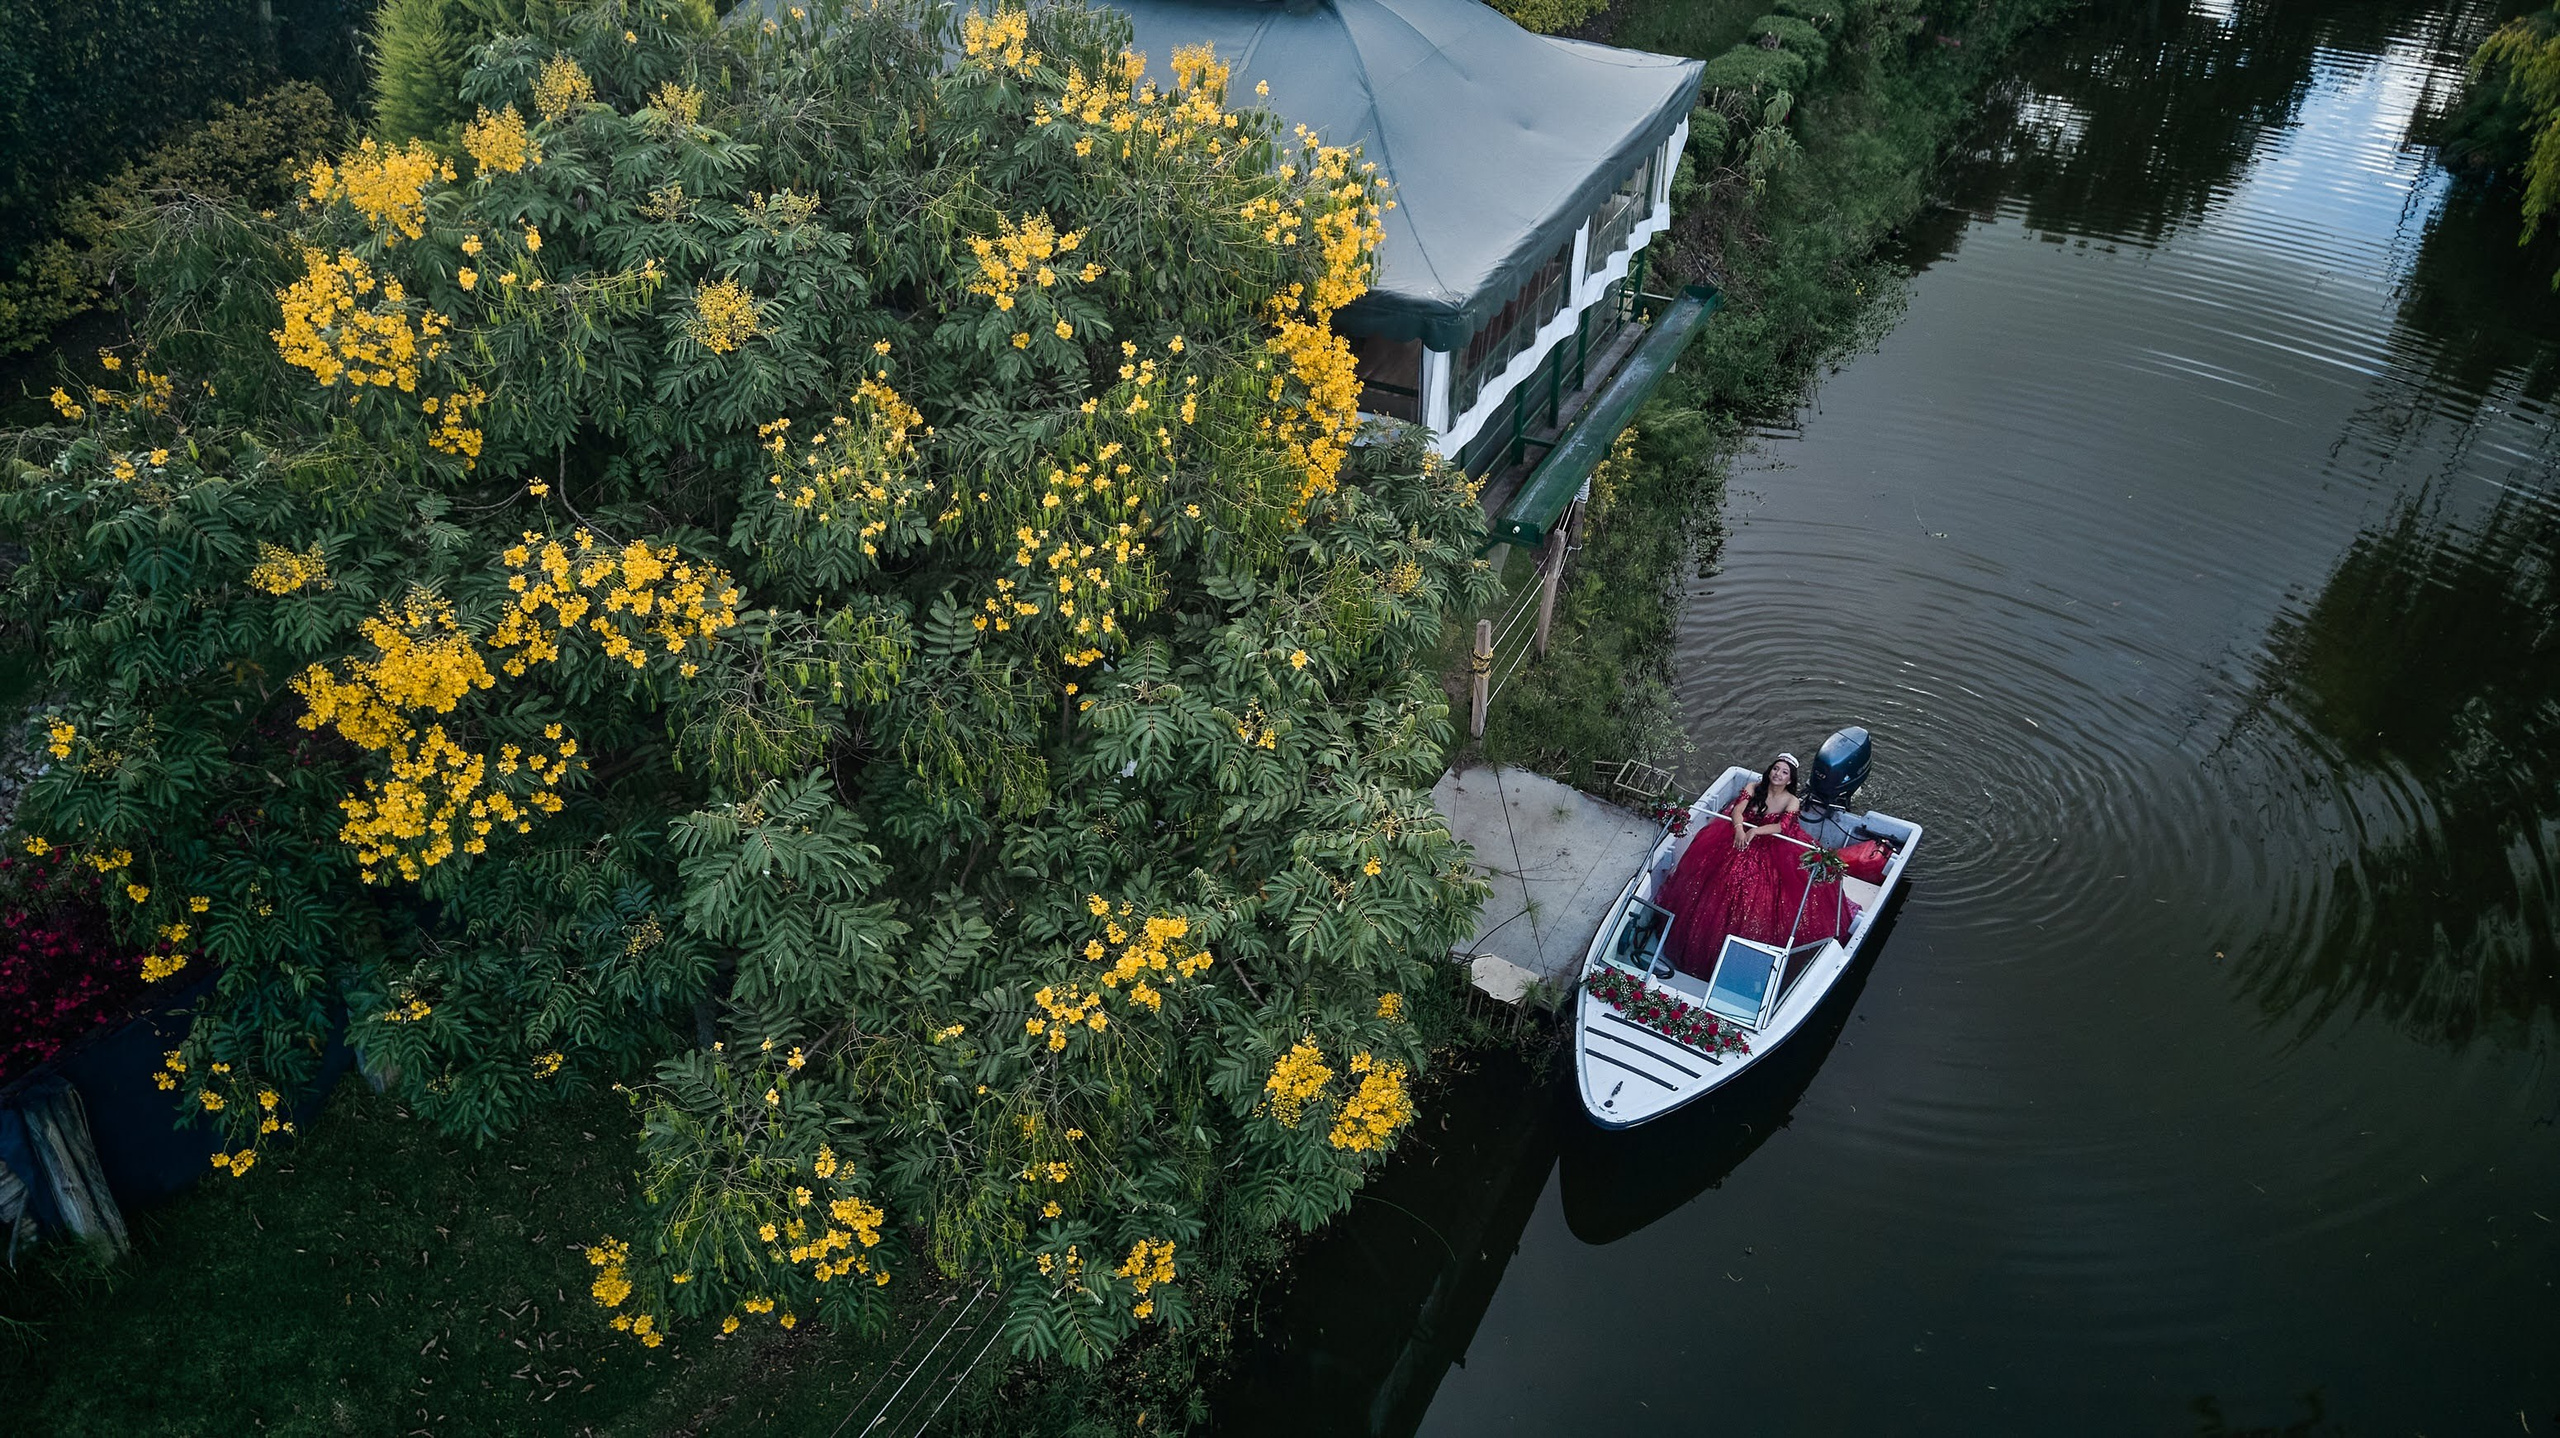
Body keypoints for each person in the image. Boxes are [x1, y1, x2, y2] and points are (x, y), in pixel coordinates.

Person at [1657, 753, 1849, 979]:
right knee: (1717, 881)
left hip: (1772, 846)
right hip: (1738, 836)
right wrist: (1739, 828)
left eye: (1784, 772)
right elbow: (1738, 810)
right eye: (1776, 769)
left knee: (1761, 894)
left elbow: (1782, 828)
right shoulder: (1753, 786)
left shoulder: (1791, 800)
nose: (1778, 774)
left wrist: (1755, 831)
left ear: (1790, 779)